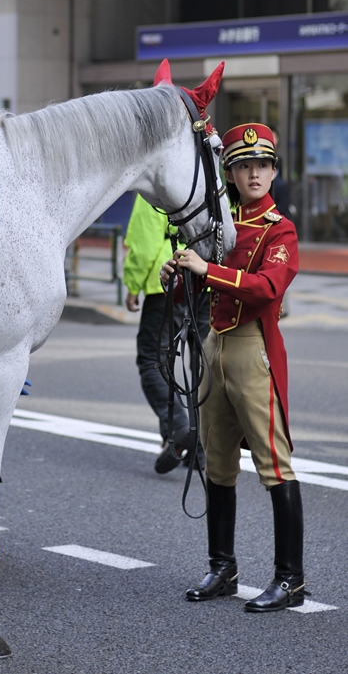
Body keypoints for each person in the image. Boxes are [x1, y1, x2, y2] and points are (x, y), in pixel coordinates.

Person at [160, 123, 304, 612]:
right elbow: (194, 290)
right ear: (232, 174)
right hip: (214, 347)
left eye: (262, 165)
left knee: (274, 464)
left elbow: (267, 288)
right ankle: (223, 567)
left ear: (272, 171)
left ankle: (290, 578)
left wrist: (208, 269)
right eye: (244, 166)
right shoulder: (221, 225)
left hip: (253, 350)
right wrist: (177, 278)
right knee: (217, 462)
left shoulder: (280, 229)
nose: (255, 173)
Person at [124, 193, 210, 474]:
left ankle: (178, 429)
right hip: (207, 278)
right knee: (201, 363)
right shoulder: (209, 179)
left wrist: (133, 283)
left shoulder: (155, 186)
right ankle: (198, 450)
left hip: (167, 279)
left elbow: (145, 241)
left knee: (152, 359)